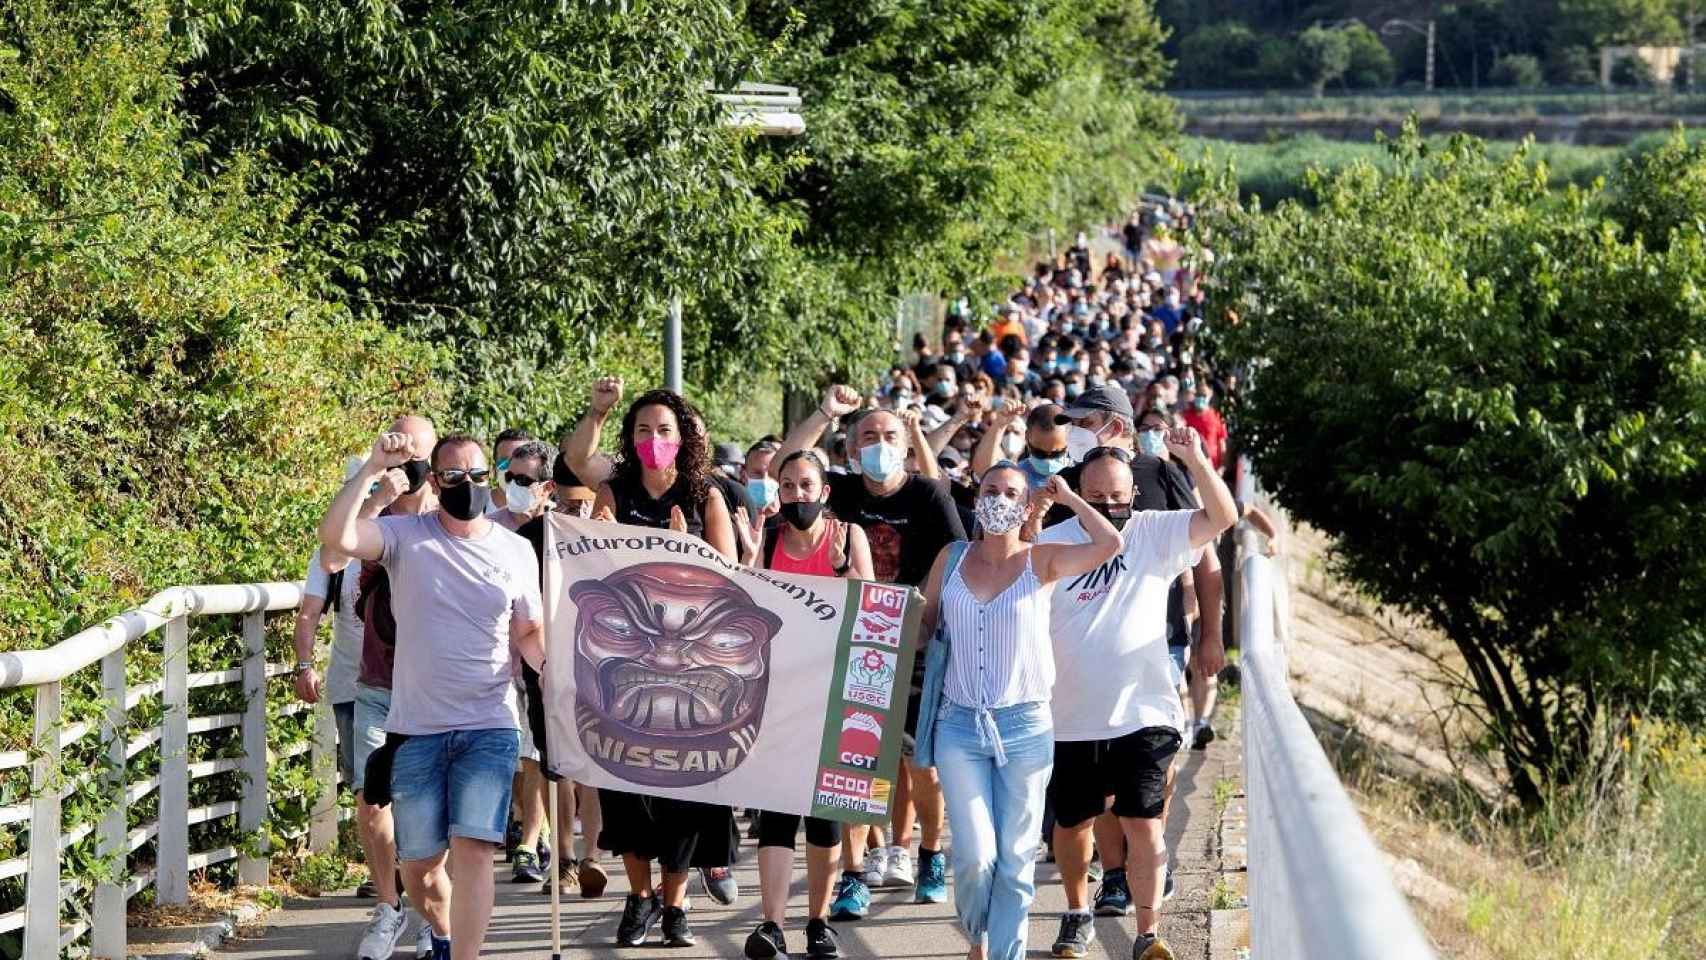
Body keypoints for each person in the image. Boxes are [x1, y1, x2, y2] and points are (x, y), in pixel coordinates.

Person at [318, 429, 546, 960]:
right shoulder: (403, 536)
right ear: (435, 482)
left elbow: (528, 631)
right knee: (419, 868)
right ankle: (441, 932)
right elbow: (336, 537)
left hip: (489, 722)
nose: (467, 484)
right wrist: (373, 467)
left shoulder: (515, 550)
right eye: (453, 476)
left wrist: (550, 667)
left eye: (477, 475)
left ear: (489, 479)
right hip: (417, 727)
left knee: (475, 852)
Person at [1037, 435, 1237, 960]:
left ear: (1135, 495)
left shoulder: (1156, 531)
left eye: (1118, 495)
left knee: (1144, 823)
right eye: (1096, 494)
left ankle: (1149, 933)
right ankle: (1078, 910)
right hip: (1071, 717)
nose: (1108, 505)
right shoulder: (1052, 541)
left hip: (1144, 709)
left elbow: (1223, 516)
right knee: (1072, 824)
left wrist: (1194, 458)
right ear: (1078, 488)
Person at [561, 376, 741, 947]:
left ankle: (676, 903)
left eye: (664, 429)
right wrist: (597, 410)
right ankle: (637, 899)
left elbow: (731, 575)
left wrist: (687, 547)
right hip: (626, 665)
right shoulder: (615, 489)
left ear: (684, 436)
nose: (654, 438)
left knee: (683, 792)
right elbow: (577, 470)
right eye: (643, 429)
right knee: (626, 787)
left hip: (688, 668)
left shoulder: (705, 494)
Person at [774, 385, 967, 917]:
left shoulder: (928, 495)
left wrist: (926, 611)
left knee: (918, 763)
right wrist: (826, 414)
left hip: (917, 640)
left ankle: (928, 854)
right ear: (852, 449)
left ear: (906, 447)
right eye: (866, 438)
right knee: (852, 764)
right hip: (851, 645)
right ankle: (856, 874)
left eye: (888, 437)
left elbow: (956, 553)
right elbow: (789, 465)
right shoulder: (837, 490)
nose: (877, 446)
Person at [915, 467, 1122, 960]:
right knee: (975, 854)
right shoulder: (952, 557)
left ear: (1027, 505)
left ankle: (1000, 950)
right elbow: (924, 626)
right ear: (976, 498)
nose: (999, 500)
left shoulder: (1042, 560)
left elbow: (1110, 543)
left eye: (1011, 493)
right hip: (958, 725)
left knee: (1014, 861)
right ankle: (978, 932)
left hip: (1026, 727)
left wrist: (1070, 496)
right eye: (991, 491)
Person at [741, 450, 875, 960]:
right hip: (776, 692)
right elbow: (744, 603)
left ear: (825, 490)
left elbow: (872, 608)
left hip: (836, 691)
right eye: (790, 486)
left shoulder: (849, 535)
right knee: (776, 812)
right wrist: (750, 557)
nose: (799, 495)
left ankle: (818, 922)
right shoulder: (769, 537)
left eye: (807, 485)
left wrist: (843, 568)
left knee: (824, 815)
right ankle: (771, 923)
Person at [294, 454, 412, 960]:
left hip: (416, 684)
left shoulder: (416, 536)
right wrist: (304, 664)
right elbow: (314, 598)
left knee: (411, 793)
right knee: (370, 794)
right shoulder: (341, 545)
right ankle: (391, 896)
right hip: (354, 684)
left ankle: (417, 892)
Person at [486, 439, 557, 883]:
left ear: (546, 487)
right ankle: (516, 822)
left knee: (535, 752)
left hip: (540, 657)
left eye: (525, 480)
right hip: (492, 660)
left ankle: (531, 843)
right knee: (505, 753)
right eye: (509, 477)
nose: (514, 486)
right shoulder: (486, 529)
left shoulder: (562, 535)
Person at [1177, 383, 1228, 471]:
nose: (1200, 397)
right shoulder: (1185, 416)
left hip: (1211, 467)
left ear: (1210, 396)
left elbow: (1221, 443)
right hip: (1189, 467)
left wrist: (1222, 467)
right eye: (1198, 394)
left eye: (1204, 395)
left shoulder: (1217, 416)